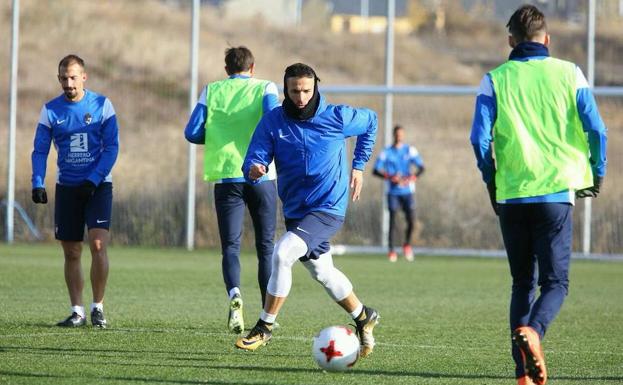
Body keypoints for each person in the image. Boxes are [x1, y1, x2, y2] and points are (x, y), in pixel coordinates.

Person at [470, 5, 607, 385]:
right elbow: (597, 129)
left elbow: (478, 140)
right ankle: (536, 332)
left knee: (520, 284)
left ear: (510, 41)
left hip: (512, 195)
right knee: (556, 283)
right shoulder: (569, 72)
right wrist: (597, 171)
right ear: (547, 39)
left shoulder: (494, 79)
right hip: (556, 193)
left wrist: (491, 181)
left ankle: (523, 374)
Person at [236, 62, 379, 357]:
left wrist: (359, 166)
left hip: (328, 206)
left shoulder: (337, 116)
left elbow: (372, 121)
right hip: (295, 209)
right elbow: (254, 156)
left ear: (315, 87)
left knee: (282, 252)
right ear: (285, 90)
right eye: (294, 91)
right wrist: (254, 168)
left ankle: (264, 327)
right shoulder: (273, 122)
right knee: (323, 272)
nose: (301, 97)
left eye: (306, 90)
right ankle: (363, 315)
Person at [184, 46, 279, 334]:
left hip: (226, 176)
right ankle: (267, 312)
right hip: (261, 175)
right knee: (265, 247)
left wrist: (215, 136)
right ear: (252, 67)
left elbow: (191, 132)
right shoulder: (265, 87)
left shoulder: (211, 90)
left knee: (231, 247)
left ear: (226, 69)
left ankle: (235, 294)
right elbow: (275, 121)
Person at [31, 54, 120, 328]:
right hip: (67, 188)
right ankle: (77, 311)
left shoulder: (102, 105)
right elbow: (40, 149)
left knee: (97, 244)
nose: (68, 83)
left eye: (73, 77)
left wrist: (93, 179)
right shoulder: (50, 111)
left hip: (98, 186)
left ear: (84, 77)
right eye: (63, 78)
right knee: (71, 252)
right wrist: (37, 181)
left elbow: (112, 148)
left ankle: (98, 308)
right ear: (59, 79)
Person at [373, 124, 425, 262]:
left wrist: (413, 177)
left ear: (403, 135)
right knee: (393, 221)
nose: (399, 136)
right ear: (393, 135)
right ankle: (391, 250)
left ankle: (407, 245)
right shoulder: (387, 152)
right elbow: (375, 170)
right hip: (393, 192)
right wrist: (391, 177)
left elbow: (421, 167)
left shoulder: (410, 150)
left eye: (401, 134)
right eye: (397, 134)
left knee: (412, 221)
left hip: (407, 191)